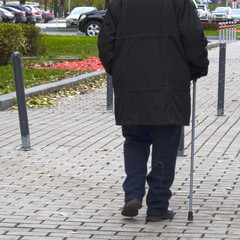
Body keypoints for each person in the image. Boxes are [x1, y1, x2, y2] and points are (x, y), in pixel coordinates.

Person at [98, 0, 209, 222]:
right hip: (170, 86)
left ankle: (133, 193)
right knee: (166, 145)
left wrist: (118, 70)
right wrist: (198, 67)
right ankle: (157, 207)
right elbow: (194, 37)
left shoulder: (120, 3)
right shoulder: (179, 2)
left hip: (131, 85)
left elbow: (105, 43)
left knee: (135, 139)